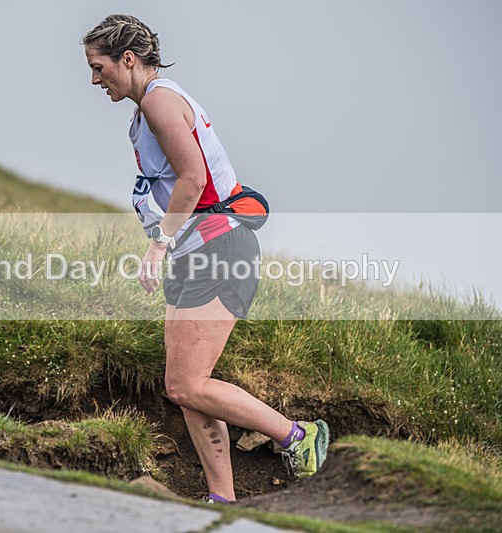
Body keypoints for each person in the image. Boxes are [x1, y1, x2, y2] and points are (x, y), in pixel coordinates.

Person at [82, 14, 329, 503]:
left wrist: (158, 244)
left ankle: (299, 437)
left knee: (187, 383)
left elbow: (193, 178)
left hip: (219, 247)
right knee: (185, 385)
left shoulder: (158, 102)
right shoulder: (151, 106)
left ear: (127, 60)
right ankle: (222, 500)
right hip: (198, 250)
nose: (94, 79)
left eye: (98, 66)